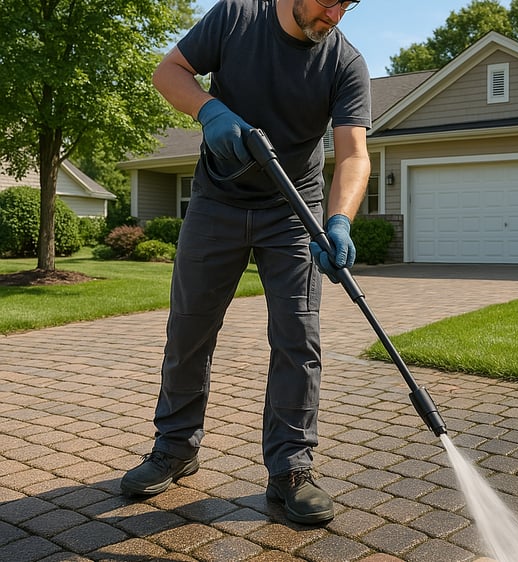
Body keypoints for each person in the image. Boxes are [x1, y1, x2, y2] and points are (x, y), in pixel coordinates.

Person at [120, 0, 371, 526]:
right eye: (330, 1)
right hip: (217, 201)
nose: (336, 15)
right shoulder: (237, 16)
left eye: (348, 4)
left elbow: (353, 154)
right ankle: (174, 448)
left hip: (294, 208)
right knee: (189, 329)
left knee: (298, 338)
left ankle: (291, 470)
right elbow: (168, 71)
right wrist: (208, 109)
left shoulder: (345, 62)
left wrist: (340, 220)